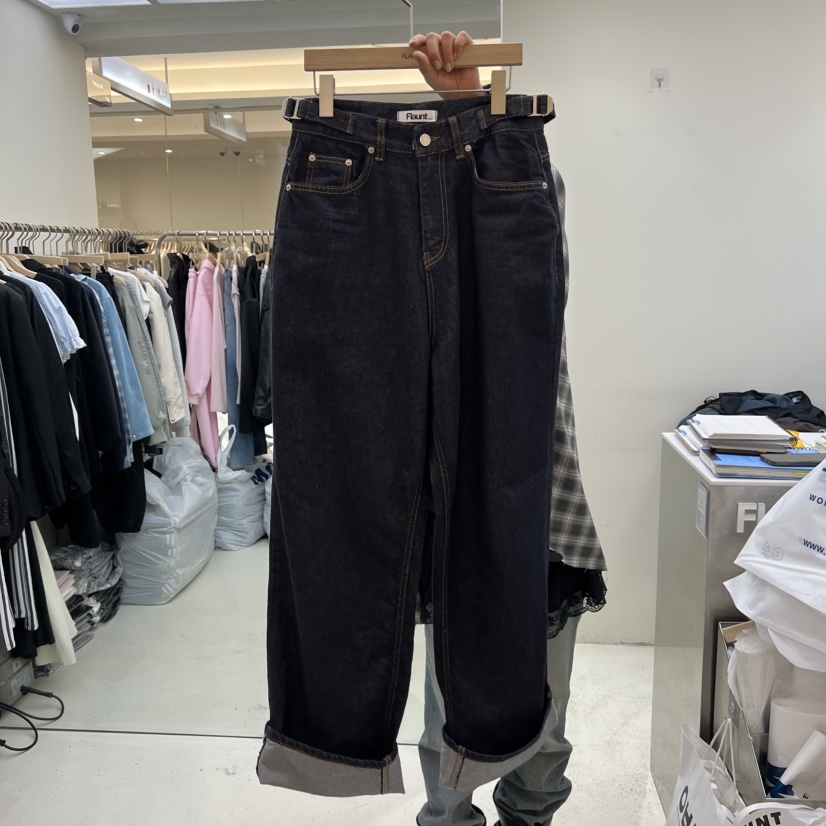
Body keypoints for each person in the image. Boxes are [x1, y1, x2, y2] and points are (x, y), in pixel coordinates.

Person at [411, 31, 608, 826]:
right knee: (448, 721)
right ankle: (454, 816)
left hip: (544, 506)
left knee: (544, 719)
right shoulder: (408, 253)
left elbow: (535, 214)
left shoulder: (528, 213)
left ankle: (527, 815)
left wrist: (473, 111)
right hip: (451, 506)